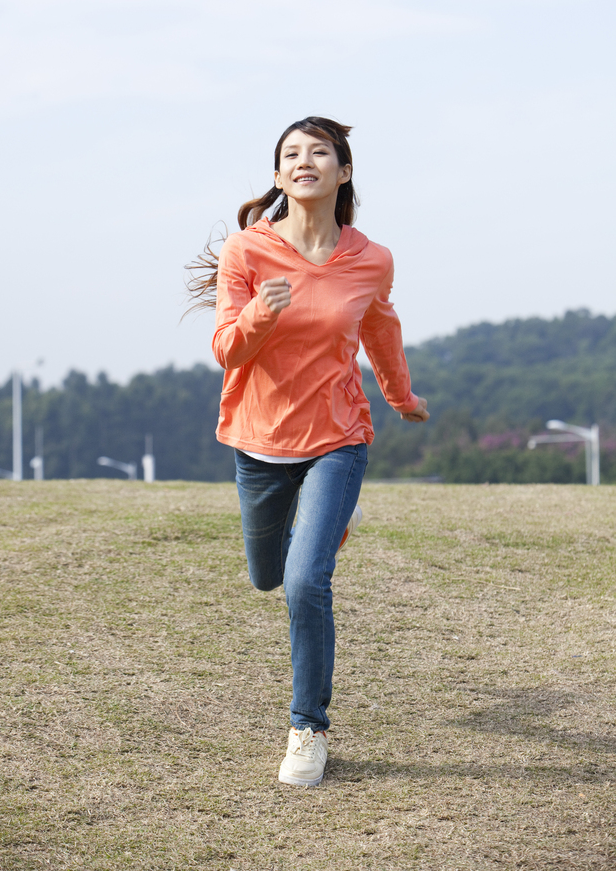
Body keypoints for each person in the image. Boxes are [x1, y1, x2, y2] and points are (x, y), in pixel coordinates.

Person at [186, 116, 429, 787]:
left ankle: (306, 729)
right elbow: (225, 351)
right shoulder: (248, 251)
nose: (304, 160)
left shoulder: (369, 258)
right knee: (269, 575)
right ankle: (316, 537)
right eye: (290, 153)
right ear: (276, 176)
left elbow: (380, 329)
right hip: (259, 441)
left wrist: (400, 396)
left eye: (318, 151)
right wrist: (259, 312)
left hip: (337, 437)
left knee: (304, 582)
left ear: (342, 172)